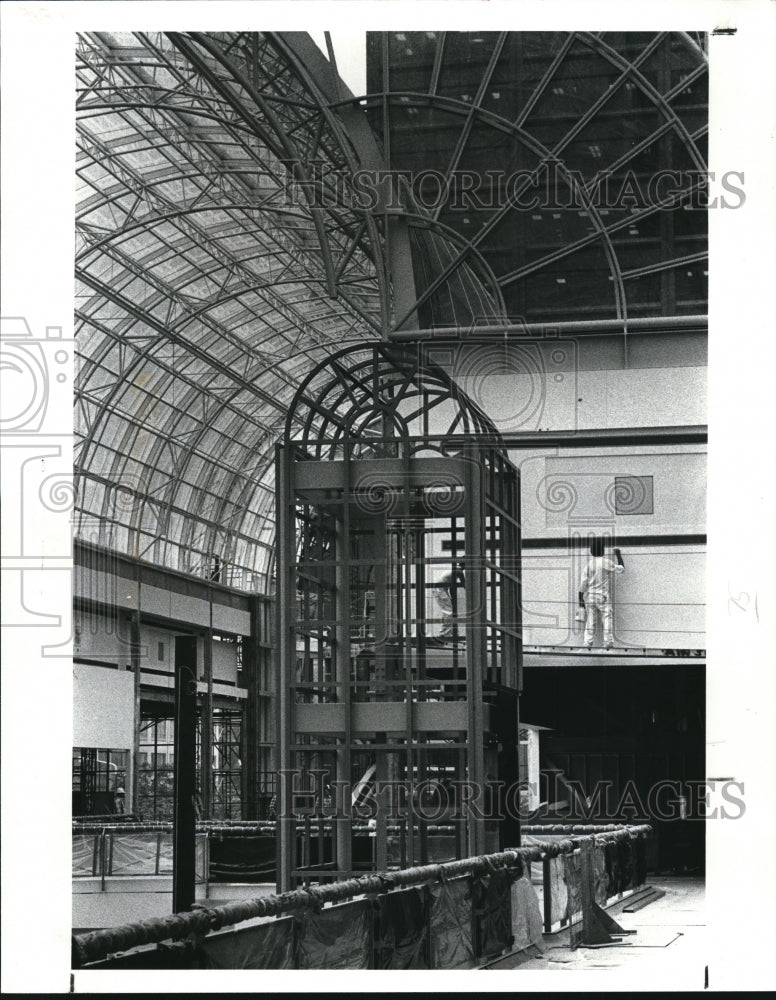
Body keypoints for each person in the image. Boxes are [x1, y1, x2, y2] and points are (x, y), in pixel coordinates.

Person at [578, 539, 624, 650]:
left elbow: (583, 583)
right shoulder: (606, 562)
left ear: (591, 552)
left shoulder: (589, 565)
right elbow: (621, 569)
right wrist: (618, 554)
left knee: (590, 620)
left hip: (590, 596)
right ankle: (608, 642)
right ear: (603, 551)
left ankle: (587, 643)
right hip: (602, 596)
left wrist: (580, 600)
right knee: (607, 618)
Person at [435, 562, 465, 639]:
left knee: (448, 611)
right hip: (440, 590)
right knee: (448, 611)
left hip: (440, 589)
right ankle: (443, 634)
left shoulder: (454, 569)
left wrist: (452, 599)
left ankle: (450, 633)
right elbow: (464, 584)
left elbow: (452, 586)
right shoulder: (459, 571)